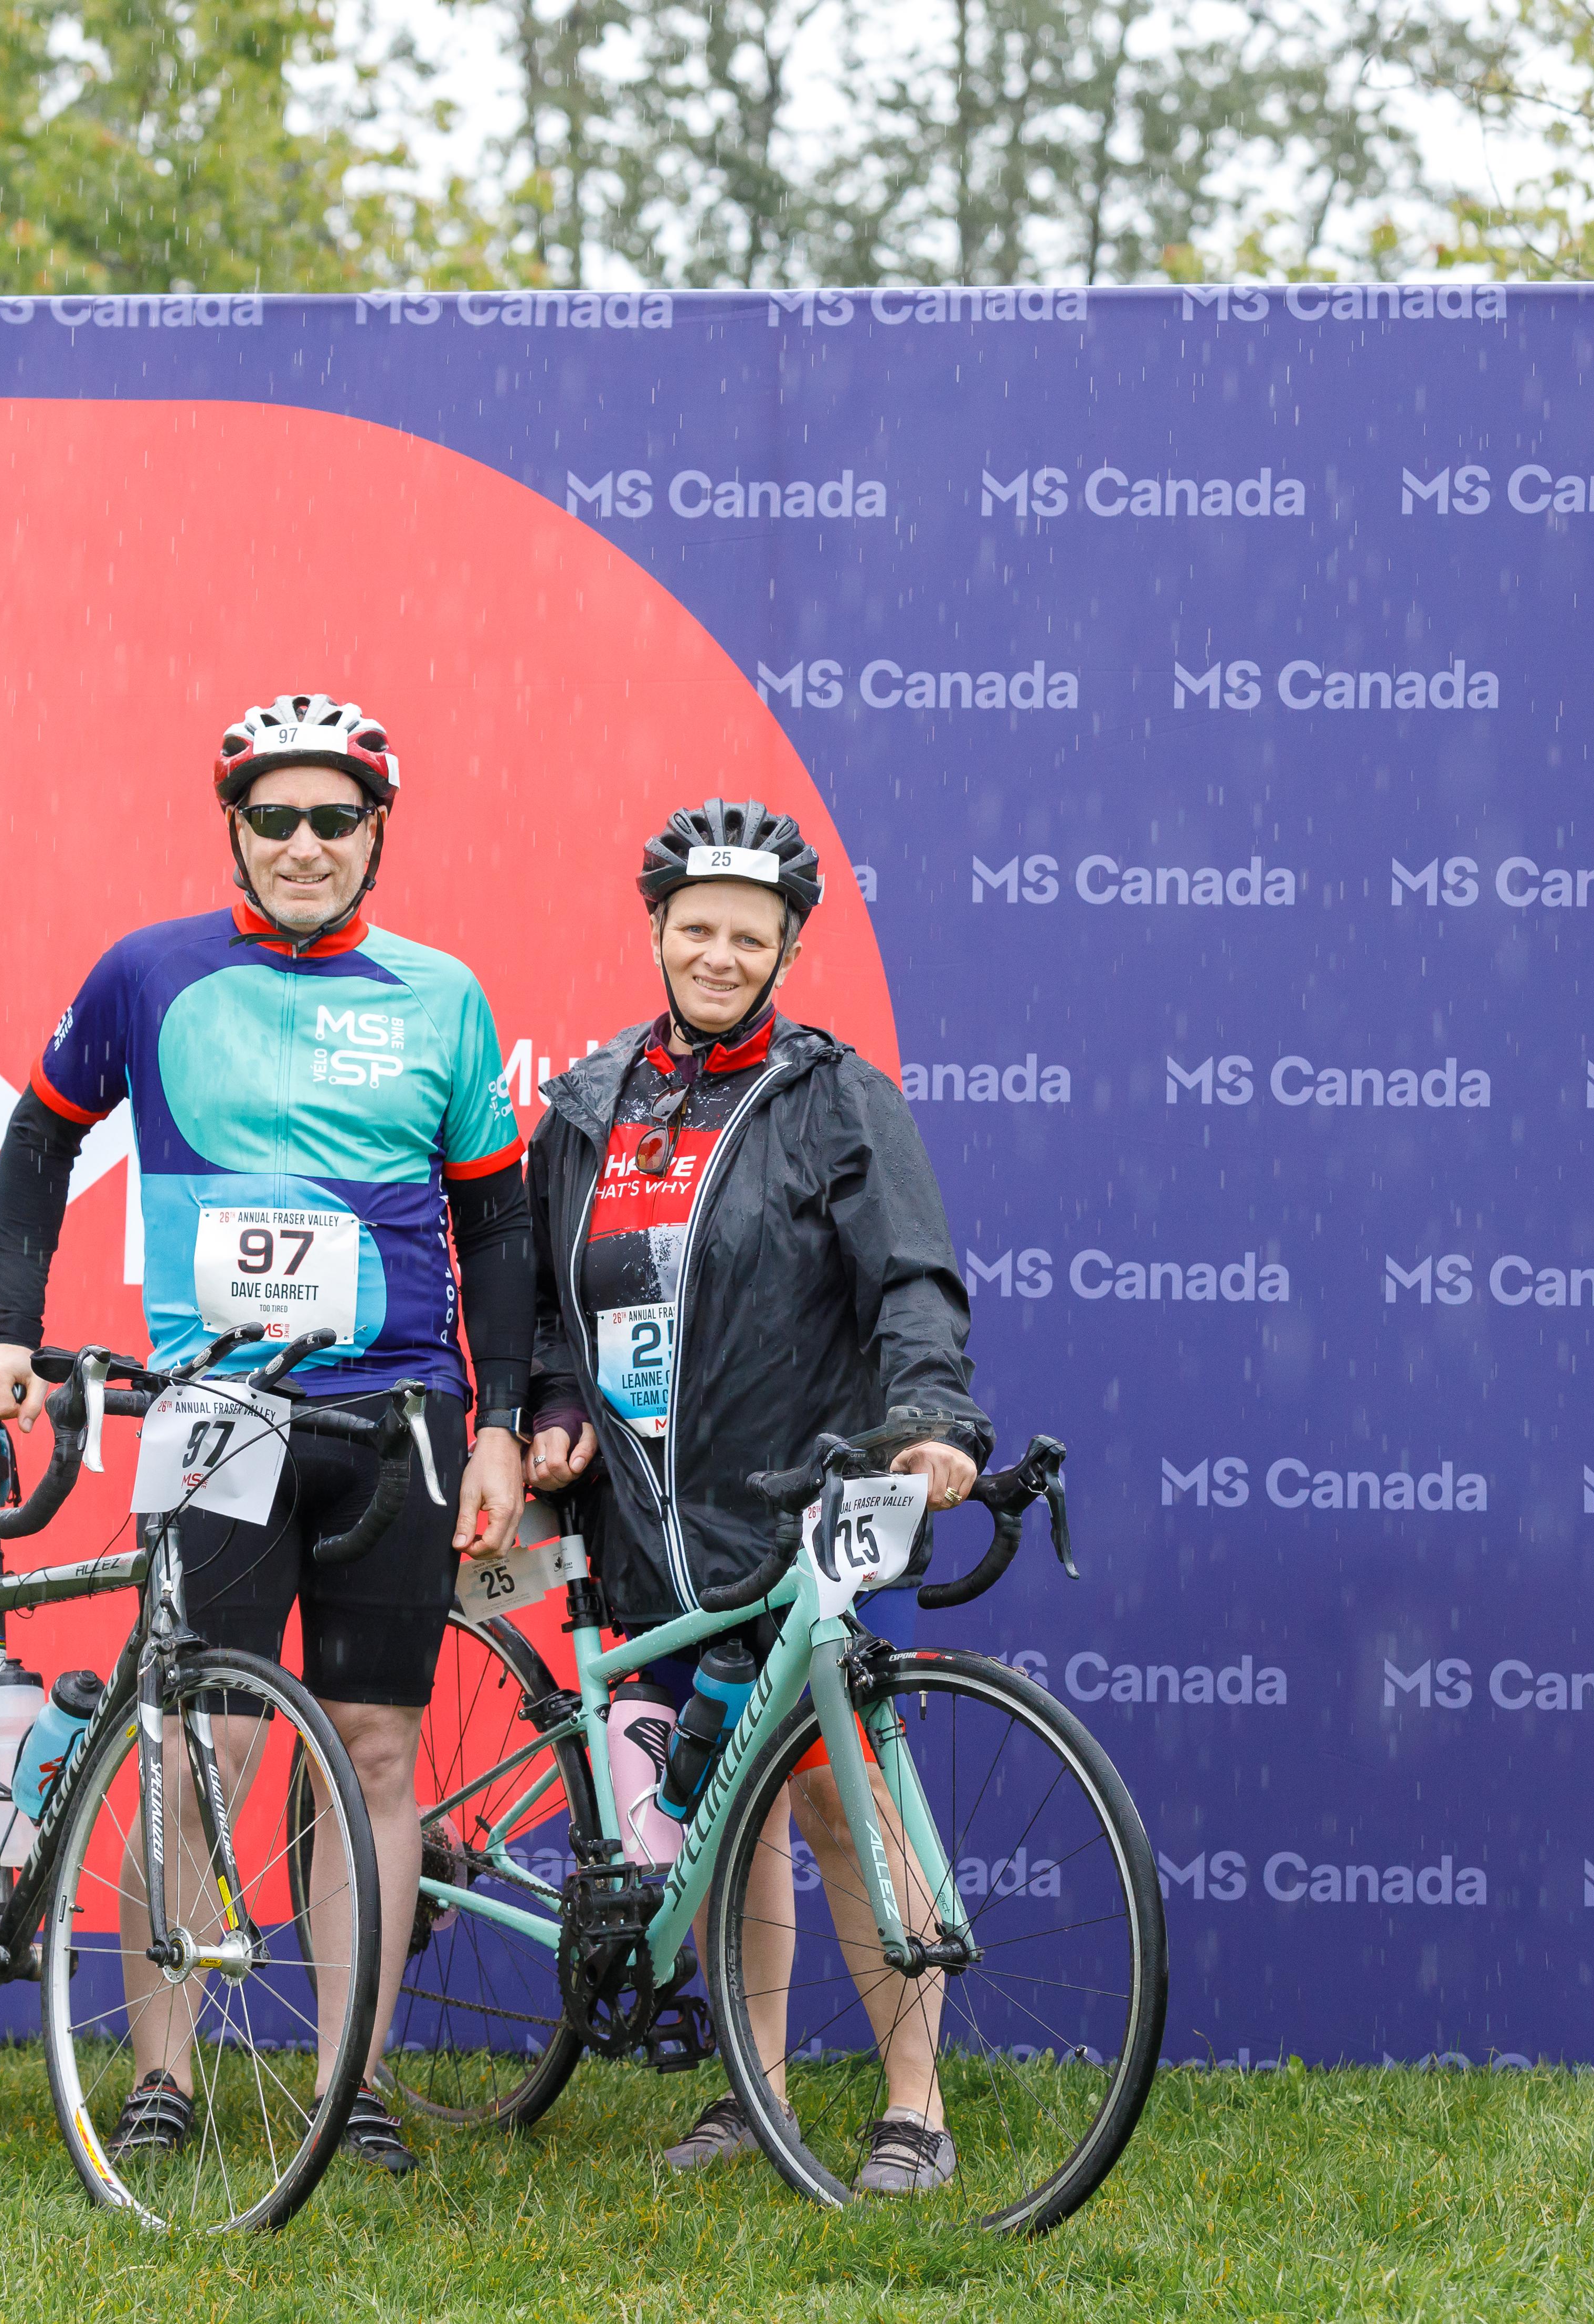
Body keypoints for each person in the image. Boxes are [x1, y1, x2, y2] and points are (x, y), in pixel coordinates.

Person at [0, 691, 531, 2176]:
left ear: (377, 834)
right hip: (220, 1406)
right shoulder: (149, 974)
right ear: (235, 830)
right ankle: (162, 2074)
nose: (302, 843)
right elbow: (37, 1135)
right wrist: (9, 1328)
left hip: (400, 1407)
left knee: (379, 1748)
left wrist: (507, 1422)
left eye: (333, 819)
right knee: (196, 1730)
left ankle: (351, 2085)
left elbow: (496, 1218)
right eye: (273, 818)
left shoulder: (441, 995)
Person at [520, 797, 990, 2196]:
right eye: (698, 929)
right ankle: (754, 2095)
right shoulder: (590, 1100)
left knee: (845, 1803)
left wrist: (930, 1418)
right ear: (657, 929)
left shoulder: (833, 1095)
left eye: (751, 934)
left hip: (792, 1503)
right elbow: (549, 1301)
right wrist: (549, 1406)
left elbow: (912, 1276)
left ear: (787, 946)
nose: (721, 955)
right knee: (730, 1819)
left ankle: (917, 2109)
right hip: (641, 1520)